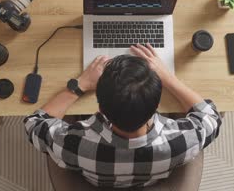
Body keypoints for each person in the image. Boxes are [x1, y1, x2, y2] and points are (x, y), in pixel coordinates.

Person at [24, 43, 222, 188]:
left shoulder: (71, 144)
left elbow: (34, 124)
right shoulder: (183, 141)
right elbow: (211, 117)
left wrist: (80, 85)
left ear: (100, 109)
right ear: (156, 108)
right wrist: (168, 77)